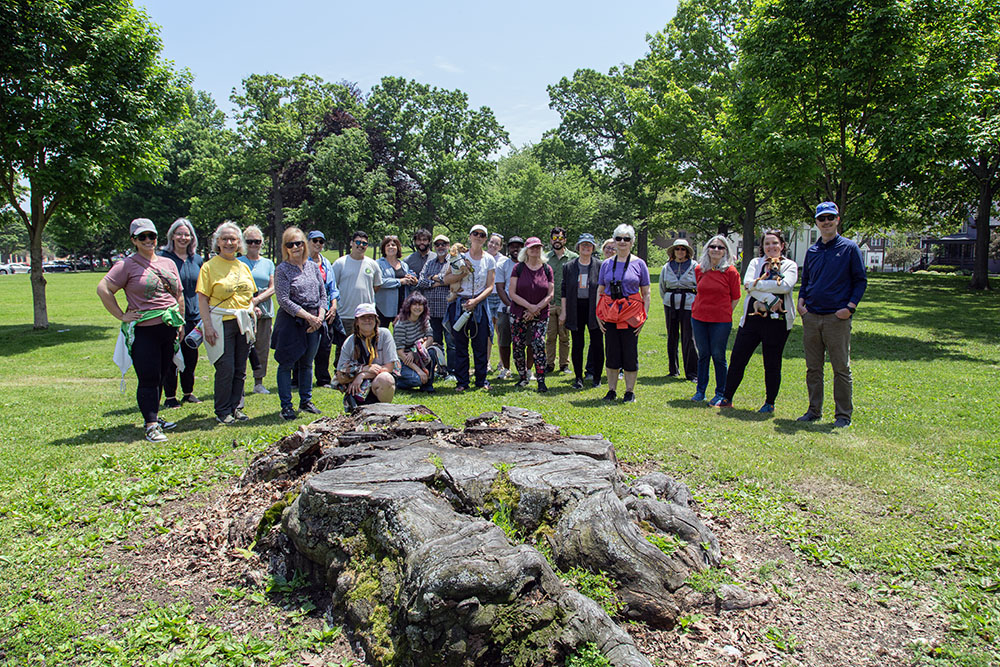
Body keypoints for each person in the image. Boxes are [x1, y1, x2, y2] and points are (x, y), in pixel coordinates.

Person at [98, 218, 183, 442]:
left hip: (168, 328)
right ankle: (151, 425)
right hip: (144, 331)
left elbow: (178, 294)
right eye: (142, 237)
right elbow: (104, 288)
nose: (148, 241)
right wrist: (121, 315)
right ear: (134, 240)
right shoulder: (126, 265)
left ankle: (153, 415)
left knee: (163, 375)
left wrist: (180, 322)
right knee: (148, 377)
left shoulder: (168, 263)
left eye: (151, 236)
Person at [797, 202, 867, 427]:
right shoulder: (812, 251)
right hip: (812, 317)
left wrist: (849, 308)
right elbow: (806, 280)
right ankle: (814, 410)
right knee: (813, 368)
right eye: (821, 219)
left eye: (830, 218)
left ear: (837, 220)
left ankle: (843, 415)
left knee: (841, 368)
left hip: (837, 319)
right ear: (816, 223)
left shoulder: (849, 248)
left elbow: (860, 280)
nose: (826, 222)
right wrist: (801, 303)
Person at [719, 231, 798, 413]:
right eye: (767, 244)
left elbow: (785, 286)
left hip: (778, 322)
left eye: (775, 243)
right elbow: (746, 284)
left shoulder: (789, 265)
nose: (771, 247)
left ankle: (769, 403)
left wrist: (757, 286)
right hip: (752, 320)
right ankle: (727, 397)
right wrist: (770, 298)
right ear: (762, 247)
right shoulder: (756, 263)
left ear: (782, 245)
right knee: (738, 358)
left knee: (772, 362)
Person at [196, 221, 257, 425]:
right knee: (225, 367)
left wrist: (251, 310)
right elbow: (203, 299)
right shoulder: (209, 267)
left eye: (233, 239)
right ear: (218, 242)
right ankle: (222, 410)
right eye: (225, 239)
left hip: (243, 322)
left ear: (239, 243)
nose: (229, 242)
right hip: (221, 322)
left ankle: (236, 407)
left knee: (240, 368)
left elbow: (250, 295)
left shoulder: (243, 266)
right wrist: (208, 326)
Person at [273, 227, 326, 420]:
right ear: (285, 247)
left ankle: (306, 401)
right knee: (286, 364)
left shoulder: (312, 266)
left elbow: (323, 294)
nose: (296, 247)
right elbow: (283, 300)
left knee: (307, 364)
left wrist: (319, 316)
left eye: (299, 243)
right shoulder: (282, 269)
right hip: (292, 322)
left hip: (315, 321)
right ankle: (286, 406)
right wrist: (308, 317)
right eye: (291, 244)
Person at [596, 224, 650, 403]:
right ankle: (611, 390)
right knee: (611, 352)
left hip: (631, 315)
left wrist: (644, 316)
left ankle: (629, 391)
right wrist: (598, 314)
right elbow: (601, 290)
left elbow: (646, 293)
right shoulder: (606, 264)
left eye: (626, 239)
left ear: (632, 242)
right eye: (618, 238)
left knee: (629, 353)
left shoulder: (639, 264)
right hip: (610, 314)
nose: (622, 242)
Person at [444, 224, 496, 392]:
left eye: (482, 235)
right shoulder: (458, 257)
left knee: (480, 344)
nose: (478, 237)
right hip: (459, 303)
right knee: (460, 344)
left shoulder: (489, 259)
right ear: (470, 236)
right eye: (476, 233)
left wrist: (476, 301)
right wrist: (461, 274)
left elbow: (490, 286)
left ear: (485, 239)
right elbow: (446, 279)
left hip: (479, 305)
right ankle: (462, 382)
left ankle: (481, 380)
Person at [690, 235, 741, 406]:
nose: (716, 250)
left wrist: (725, 312)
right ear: (707, 249)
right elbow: (699, 291)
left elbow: (736, 297)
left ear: (725, 251)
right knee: (703, 354)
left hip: (721, 320)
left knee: (718, 355)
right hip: (699, 318)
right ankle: (700, 391)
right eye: (713, 247)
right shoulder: (699, 269)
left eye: (720, 247)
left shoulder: (731, 272)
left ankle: (721, 392)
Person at [159, 218, 203, 407]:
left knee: (191, 356)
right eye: (179, 234)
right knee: (170, 356)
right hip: (171, 316)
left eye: (187, 234)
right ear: (172, 236)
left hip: (194, 316)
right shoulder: (164, 259)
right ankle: (170, 396)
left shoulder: (197, 260)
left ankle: (188, 392)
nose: (183, 237)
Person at [509, 237, 554, 392]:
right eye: (532, 248)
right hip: (519, 312)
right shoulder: (518, 268)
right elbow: (512, 293)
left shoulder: (547, 269)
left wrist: (536, 309)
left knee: (538, 344)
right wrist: (529, 307)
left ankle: (541, 379)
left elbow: (550, 293)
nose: (535, 250)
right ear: (526, 250)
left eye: (538, 248)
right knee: (518, 346)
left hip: (541, 313)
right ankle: (522, 377)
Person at [560, 233, 604, 389]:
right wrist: (564, 312)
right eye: (583, 245)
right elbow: (564, 290)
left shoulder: (600, 265)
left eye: (589, 245)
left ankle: (596, 377)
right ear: (578, 247)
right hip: (575, 307)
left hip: (595, 308)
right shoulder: (569, 266)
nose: (586, 247)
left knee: (597, 343)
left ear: (593, 248)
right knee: (578, 344)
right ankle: (578, 378)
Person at [336, 303, 399, 408]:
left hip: (378, 382)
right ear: (357, 322)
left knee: (386, 379)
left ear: (376, 320)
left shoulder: (385, 334)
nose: (367, 320)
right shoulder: (350, 341)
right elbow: (340, 374)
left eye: (370, 317)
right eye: (363, 317)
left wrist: (362, 375)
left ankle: (385, 410)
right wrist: (363, 369)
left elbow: (389, 367)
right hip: (356, 387)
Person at [239, 225, 275, 395]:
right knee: (243, 346)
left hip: (265, 309)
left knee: (262, 346)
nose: (254, 244)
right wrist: (250, 305)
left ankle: (258, 382)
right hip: (242, 309)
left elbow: (273, 287)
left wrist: (258, 301)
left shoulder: (268, 263)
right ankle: (239, 381)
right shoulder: (238, 262)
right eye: (250, 241)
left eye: (257, 241)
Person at [416, 234, 456, 380]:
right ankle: (441, 370)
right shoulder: (429, 263)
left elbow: (453, 280)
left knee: (451, 342)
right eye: (437, 244)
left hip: (448, 309)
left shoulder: (453, 262)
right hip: (431, 310)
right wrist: (440, 281)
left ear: (448, 246)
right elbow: (420, 282)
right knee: (436, 342)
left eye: (443, 244)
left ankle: (452, 371)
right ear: (434, 247)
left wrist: (434, 278)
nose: (440, 247)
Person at [659, 238, 698, 382]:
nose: (680, 251)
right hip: (670, 303)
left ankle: (692, 372)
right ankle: (673, 369)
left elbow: (699, 285)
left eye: (683, 249)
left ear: (687, 251)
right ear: (673, 251)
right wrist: (668, 299)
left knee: (689, 337)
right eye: (677, 249)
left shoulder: (694, 266)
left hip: (688, 304)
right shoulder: (667, 267)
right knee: (672, 336)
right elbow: (662, 287)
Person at [332, 230, 382, 339]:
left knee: (368, 348)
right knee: (344, 349)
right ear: (351, 243)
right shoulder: (340, 263)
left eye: (364, 243)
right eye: (358, 242)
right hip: (346, 314)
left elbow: (377, 286)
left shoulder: (373, 264)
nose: (361, 245)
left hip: (367, 315)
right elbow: (333, 287)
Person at [306, 230, 341, 388]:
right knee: (303, 344)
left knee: (325, 345)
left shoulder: (326, 263)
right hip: (306, 309)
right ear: (308, 242)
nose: (318, 244)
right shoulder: (302, 261)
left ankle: (323, 379)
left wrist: (333, 306)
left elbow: (333, 288)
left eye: (321, 241)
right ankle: (297, 378)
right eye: (315, 241)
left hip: (325, 310)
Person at [545, 226, 577, 374]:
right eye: (555, 238)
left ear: (565, 240)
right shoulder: (545, 258)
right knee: (550, 336)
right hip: (549, 303)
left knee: (564, 336)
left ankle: (564, 364)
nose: (557, 241)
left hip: (566, 303)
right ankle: (549, 364)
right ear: (551, 240)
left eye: (560, 238)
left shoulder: (573, 258)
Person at [493, 236, 524, 380]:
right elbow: (499, 288)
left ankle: (527, 370)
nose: (515, 249)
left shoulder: (528, 264)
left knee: (527, 341)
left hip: (526, 308)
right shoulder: (502, 264)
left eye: (519, 246)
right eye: (512, 246)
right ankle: (505, 368)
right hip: (506, 308)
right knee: (504, 339)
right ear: (508, 248)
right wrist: (510, 306)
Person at [393, 292, 437, 392]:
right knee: (416, 380)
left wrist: (415, 352)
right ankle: (398, 380)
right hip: (404, 360)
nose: (418, 307)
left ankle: (428, 385)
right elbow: (399, 352)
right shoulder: (401, 324)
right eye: (415, 304)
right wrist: (419, 371)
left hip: (416, 355)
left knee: (432, 351)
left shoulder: (424, 319)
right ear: (409, 306)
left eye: (420, 305)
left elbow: (430, 338)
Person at [375, 235, 417, 328]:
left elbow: (409, 282)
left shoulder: (404, 265)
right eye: (388, 245)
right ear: (383, 248)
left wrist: (412, 279)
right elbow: (380, 281)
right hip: (383, 307)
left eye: (393, 245)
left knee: (401, 336)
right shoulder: (378, 264)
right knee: (381, 336)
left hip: (401, 307)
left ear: (398, 248)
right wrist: (400, 281)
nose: (391, 247)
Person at [485, 232, 506, 374]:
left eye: (496, 244)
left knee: (500, 330)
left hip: (499, 296)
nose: (493, 245)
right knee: (487, 331)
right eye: (491, 242)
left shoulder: (504, 260)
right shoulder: (482, 257)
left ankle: (502, 362)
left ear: (500, 247)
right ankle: (486, 363)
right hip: (485, 296)